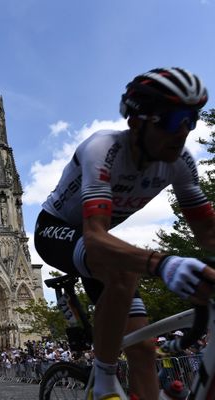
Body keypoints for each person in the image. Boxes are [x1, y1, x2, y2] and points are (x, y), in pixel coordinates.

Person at [34, 67, 215, 400]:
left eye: (192, 119)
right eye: (174, 120)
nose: (184, 132)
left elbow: (208, 231)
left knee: (144, 351)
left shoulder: (181, 163)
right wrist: (163, 264)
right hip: (56, 231)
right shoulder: (103, 150)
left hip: (98, 245)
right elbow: (95, 236)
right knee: (124, 271)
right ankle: (103, 382)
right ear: (138, 121)